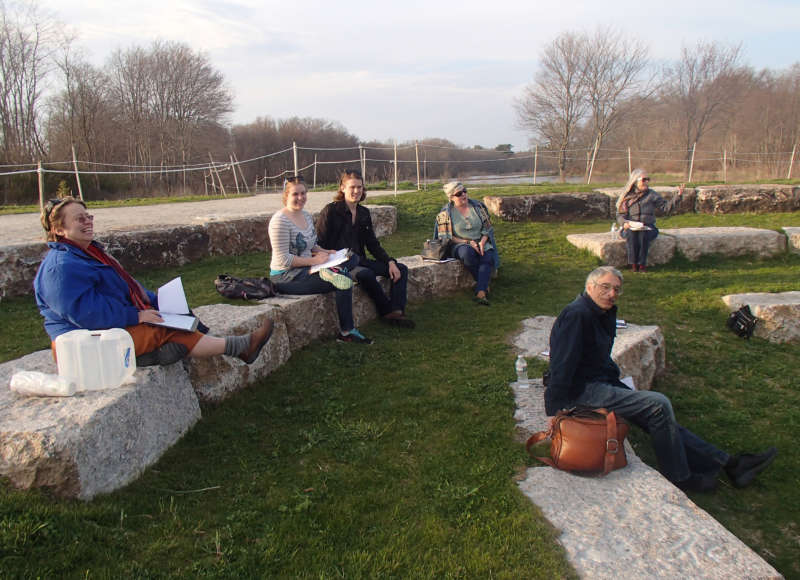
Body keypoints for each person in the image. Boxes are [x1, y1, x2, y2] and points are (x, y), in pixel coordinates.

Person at [545, 266, 777, 492]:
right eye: (605, 287)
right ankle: (680, 477)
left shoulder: (600, 312)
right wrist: (554, 410)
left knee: (657, 414)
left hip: (600, 381)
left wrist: (615, 379)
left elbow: (596, 355)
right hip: (582, 390)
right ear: (589, 286)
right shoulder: (577, 315)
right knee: (658, 404)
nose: (612, 294)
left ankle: (730, 465)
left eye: (617, 289)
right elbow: (561, 364)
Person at [34, 197, 274, 367]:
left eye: (88, 216)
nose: (88, 222)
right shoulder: (60, 268)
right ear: (59, 229)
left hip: (105, 331)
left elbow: (128, 288)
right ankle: (242, 347)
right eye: (79, 219)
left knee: (173, 319)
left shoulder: (89, 254)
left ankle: (150, 357)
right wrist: (136, 317)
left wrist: (159, 303)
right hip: (82, 345)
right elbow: (87, 313)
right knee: (165, 329)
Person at [268, 175, 372, 344]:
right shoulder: (279, 221)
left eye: (303, 193)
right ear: (286, 196)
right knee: (344, 281)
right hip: (286, 277)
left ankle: (334, 270)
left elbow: (311, 245)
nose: (301, 198)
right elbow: (284, 260)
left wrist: (327, 252)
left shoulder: (306, 216)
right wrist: (314, 261)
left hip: (309, 269)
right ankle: (346, 332)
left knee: (352, 257)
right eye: (295, 194)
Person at [316, 169, 414, 328]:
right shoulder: (331, 211)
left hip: (360, 259)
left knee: (400, 269)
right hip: (340, 264)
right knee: (366, 274)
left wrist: (389, 261)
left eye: (359, 187)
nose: (356, 191)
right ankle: (387, 312)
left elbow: (372, 244)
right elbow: (319, 242)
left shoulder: (363, 213)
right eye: (352, 187)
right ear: (342, 188)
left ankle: (397, 311)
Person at [434, 181, 500, 305]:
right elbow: (446, 236)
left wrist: (482, 242)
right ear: (451, 197)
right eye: (459, 194)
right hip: (459, 244)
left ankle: (481, 292)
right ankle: (484, 284)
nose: (464, 195)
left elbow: (487, 229)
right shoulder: (445, 213)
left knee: (487, 257)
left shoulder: (478, 206)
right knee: (467, 254)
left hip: (481, 241)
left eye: (465, 191)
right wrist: (468, 242)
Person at [615, 168, 684, 272]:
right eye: (643, 179)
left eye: (648, 179)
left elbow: (665, 208)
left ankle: (642, 265)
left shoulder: (652, 195)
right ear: (635, 181)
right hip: (630, 227)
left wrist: (678, 196)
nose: (646, 182)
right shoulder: (627, 196)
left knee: (643, 234)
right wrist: (624, 223)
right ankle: (633, 264)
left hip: (648, 227)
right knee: (631, 234)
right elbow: (620, 215)